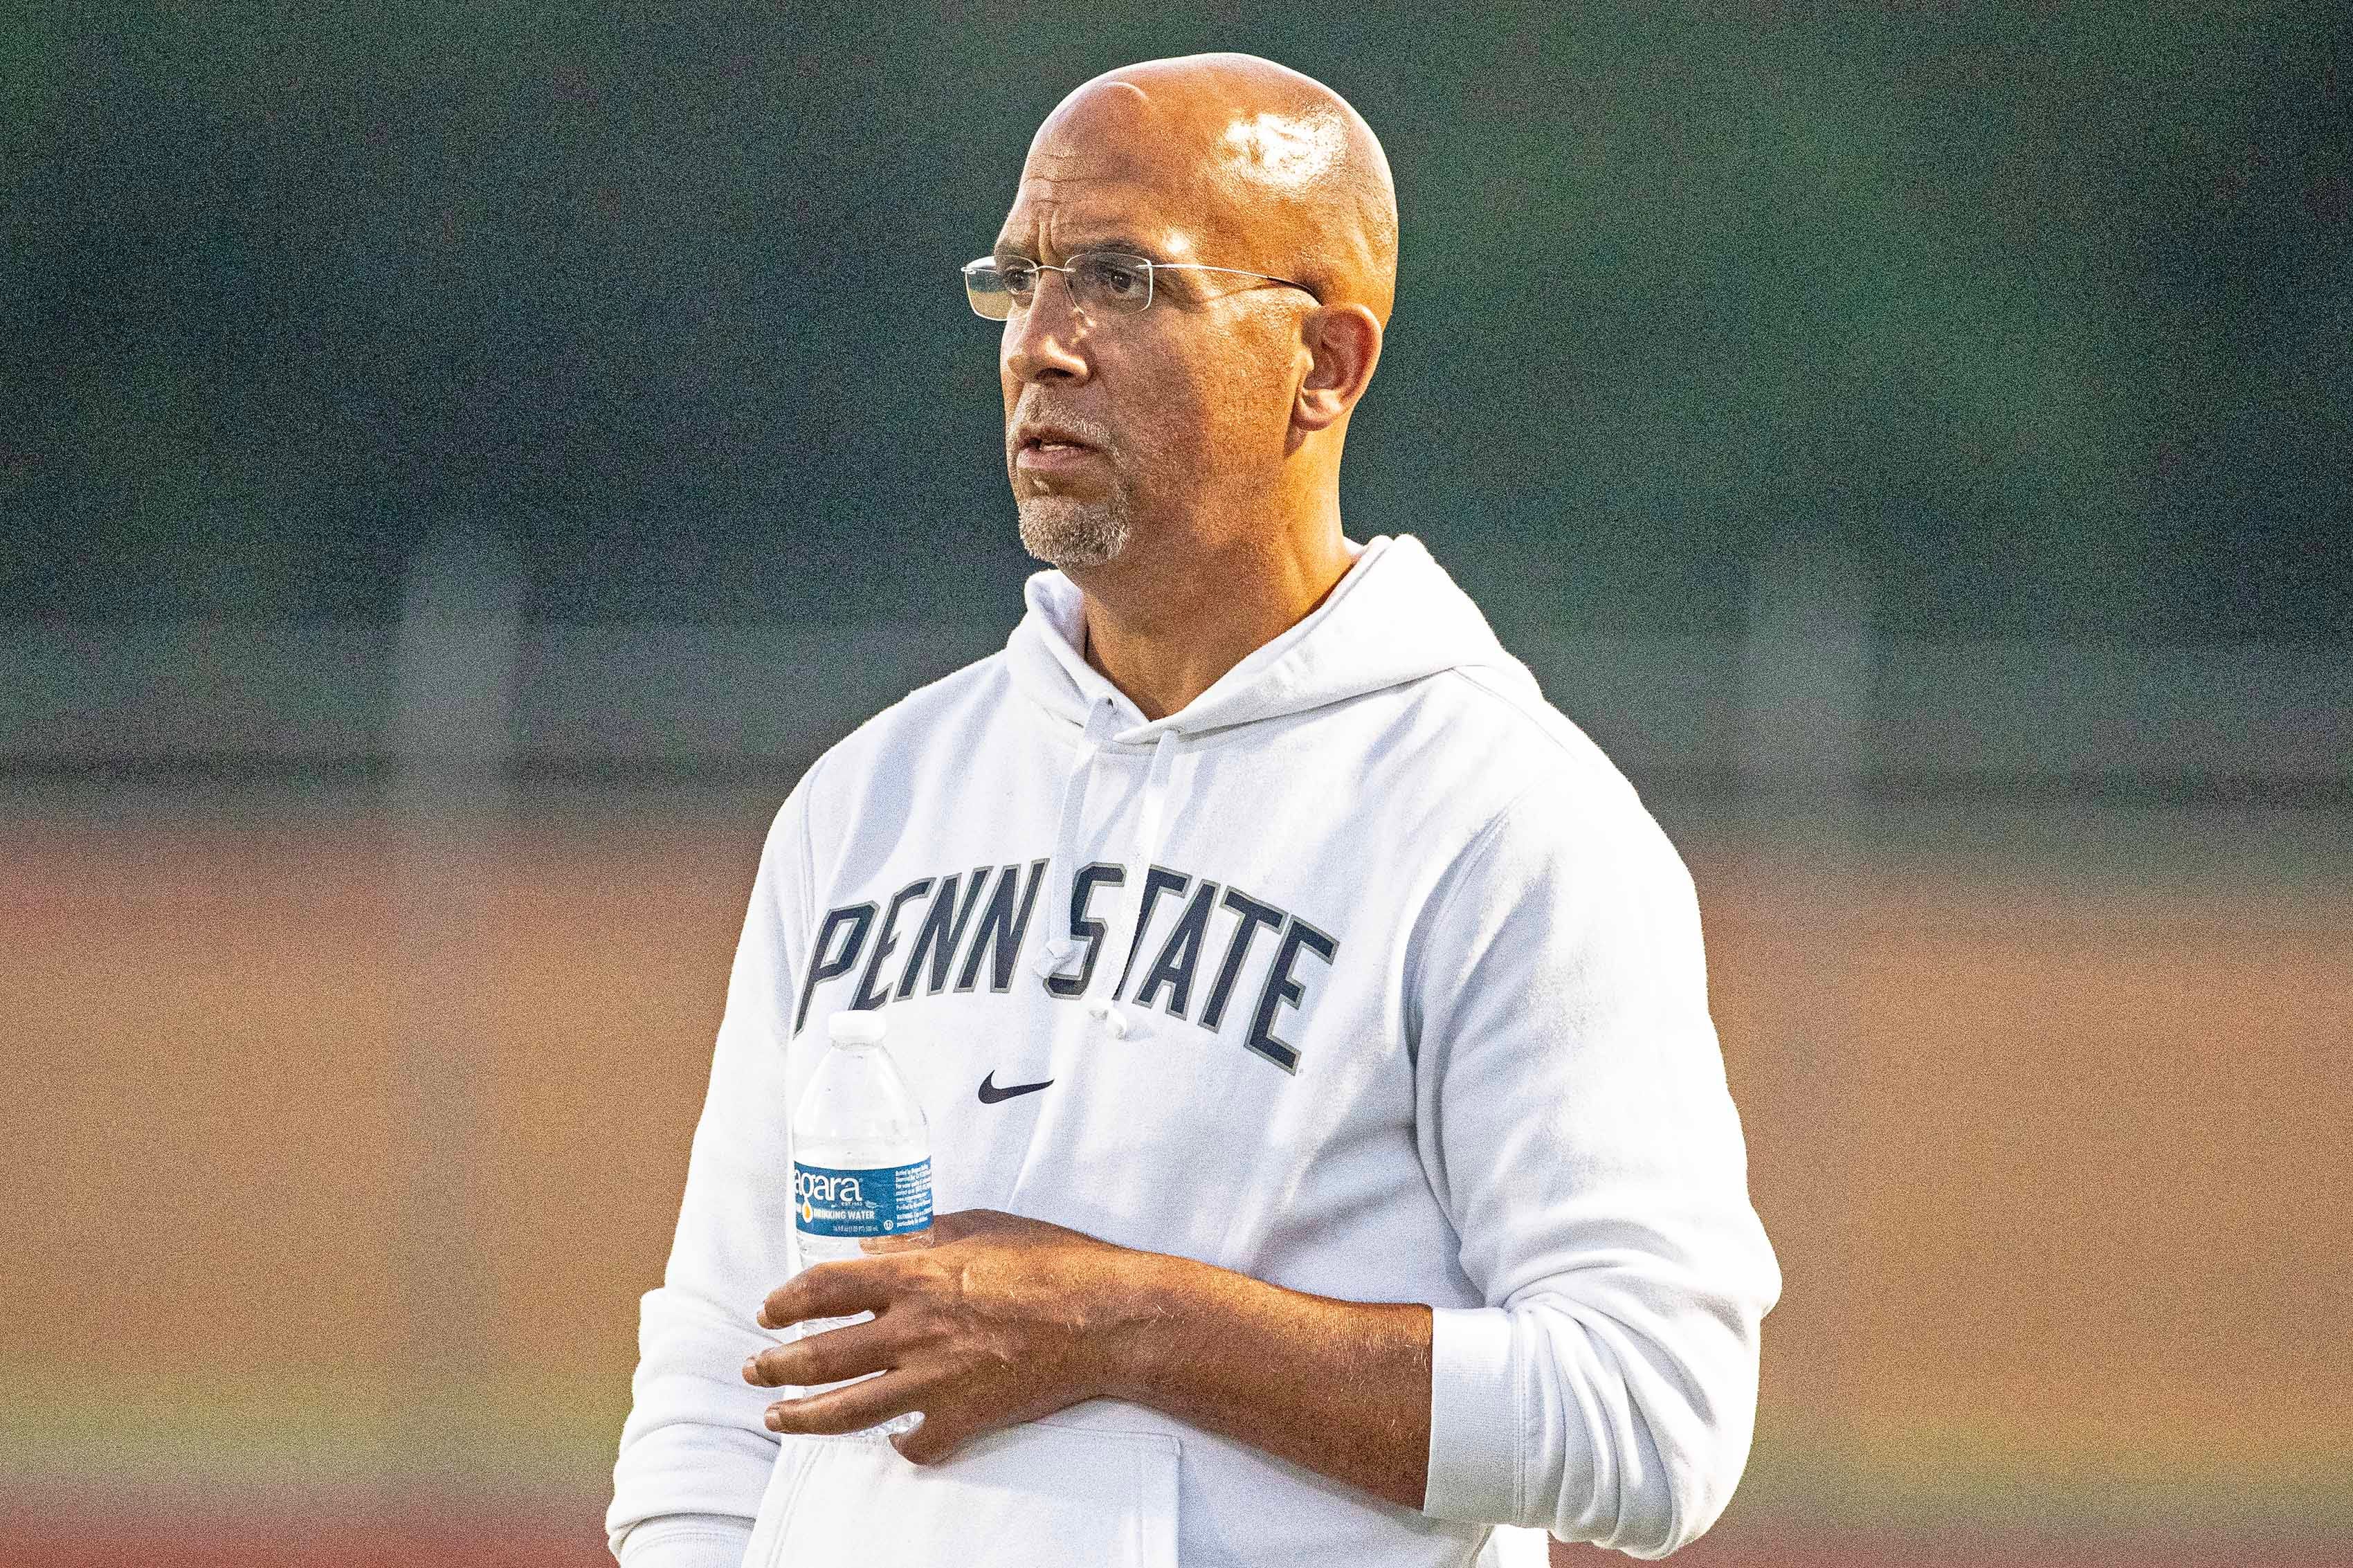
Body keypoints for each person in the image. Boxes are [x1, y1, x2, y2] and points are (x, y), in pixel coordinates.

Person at [607, 52, 1779, 1568]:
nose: (1042, 342)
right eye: (1017, 279)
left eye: (1118, 280)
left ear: (1326, 363)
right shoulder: (869, 800)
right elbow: (724, 1364)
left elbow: (1651, 1411)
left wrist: (1126, 1323)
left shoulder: (1506, 824)